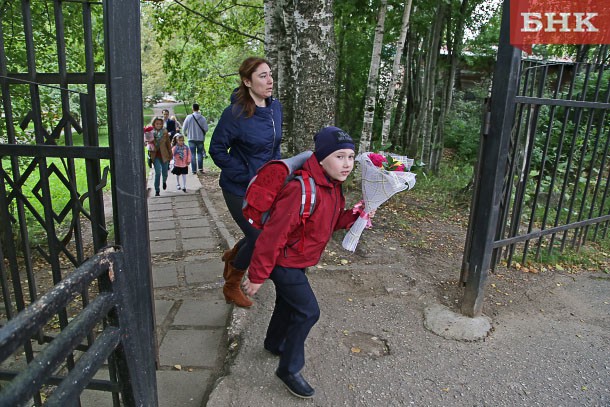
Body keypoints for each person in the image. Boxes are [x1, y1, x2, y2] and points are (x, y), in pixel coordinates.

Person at [241, 127, 365, 399]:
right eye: (339, 156)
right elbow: (272, 237)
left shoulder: (333, 187)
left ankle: (274, 343)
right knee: (308, 312)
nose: (347, 164)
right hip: (283, 262)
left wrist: (356, 215)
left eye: (351, 157)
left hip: (297, 259)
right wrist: (258, 276)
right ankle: (289, 369)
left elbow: (329, 223)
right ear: (321, 158)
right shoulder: (301, 189)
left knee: (288, 303)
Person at [209, 56, 283, 308]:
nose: (270, 80)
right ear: (246, 81)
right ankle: (231, 285)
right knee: (261, 237)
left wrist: (277, 174)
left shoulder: (275, 109)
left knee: (262, 233)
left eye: (270, 74)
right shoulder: (234, 114)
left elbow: (274, 148)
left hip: (265, 188)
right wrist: (246, 172)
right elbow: (217, 149)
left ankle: (233, 257)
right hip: (238, 188)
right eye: (262, 75)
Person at [182, 103, 209, 174]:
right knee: (200, 153)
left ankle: (194, 170)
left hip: (191, 138)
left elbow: (184, 127)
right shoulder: (203, 118)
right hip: (200, 139)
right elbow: (206, 129)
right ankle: (200, 168)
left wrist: (185, 133)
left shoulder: (189, 117)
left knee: (192, 154)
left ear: (192, 109)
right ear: (198, 108)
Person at [149, 116, 172, 197]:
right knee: (158, 172)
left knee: (165, 172)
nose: (158, 125)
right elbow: (148, 143)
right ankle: (157, 190)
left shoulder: (165, 132)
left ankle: (164, 181)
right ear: (154, 124)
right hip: (155, 155)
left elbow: (168, 144)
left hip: (164, 155)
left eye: (160, 124)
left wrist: (170, 154)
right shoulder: (150, 132)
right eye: (157, 124)